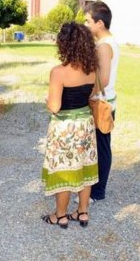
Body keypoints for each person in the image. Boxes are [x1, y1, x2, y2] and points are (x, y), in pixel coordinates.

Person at [42, 22, 98, 228]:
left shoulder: (58, 72)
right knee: (84, 167)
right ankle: (83, 212)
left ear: (64, 44)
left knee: (64, 169)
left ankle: (61, 215)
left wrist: (47, 100)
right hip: (86, 123)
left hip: (65, 127)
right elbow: (91, 94)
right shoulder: (92, 69)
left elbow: (55, 107)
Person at [82, 1, 119, 203]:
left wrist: (86, 96)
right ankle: (95, 187)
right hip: (104, 101)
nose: (86, 25)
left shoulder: (105, 46)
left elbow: (102, 80)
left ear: (100, 23)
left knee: (102, 147)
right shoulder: (108, 42)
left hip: (101, 103)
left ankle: (98, 191)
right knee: (99, 145)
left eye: (88, 21)